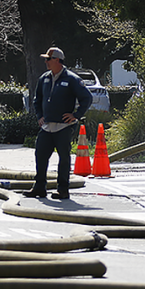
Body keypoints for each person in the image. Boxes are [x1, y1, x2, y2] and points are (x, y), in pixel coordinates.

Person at [23, 47, 92, 200]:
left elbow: (86, 98)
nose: (46, 62)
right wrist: (40, 116)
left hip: (64, 127)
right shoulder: (44, 78)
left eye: (48, 59)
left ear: (57, 60)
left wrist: (75, 115)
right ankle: (39, 187)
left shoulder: (72, 79)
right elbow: (37, 99)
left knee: (64, 158)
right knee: (40, 155)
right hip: (47, 126)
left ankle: (63, 189)